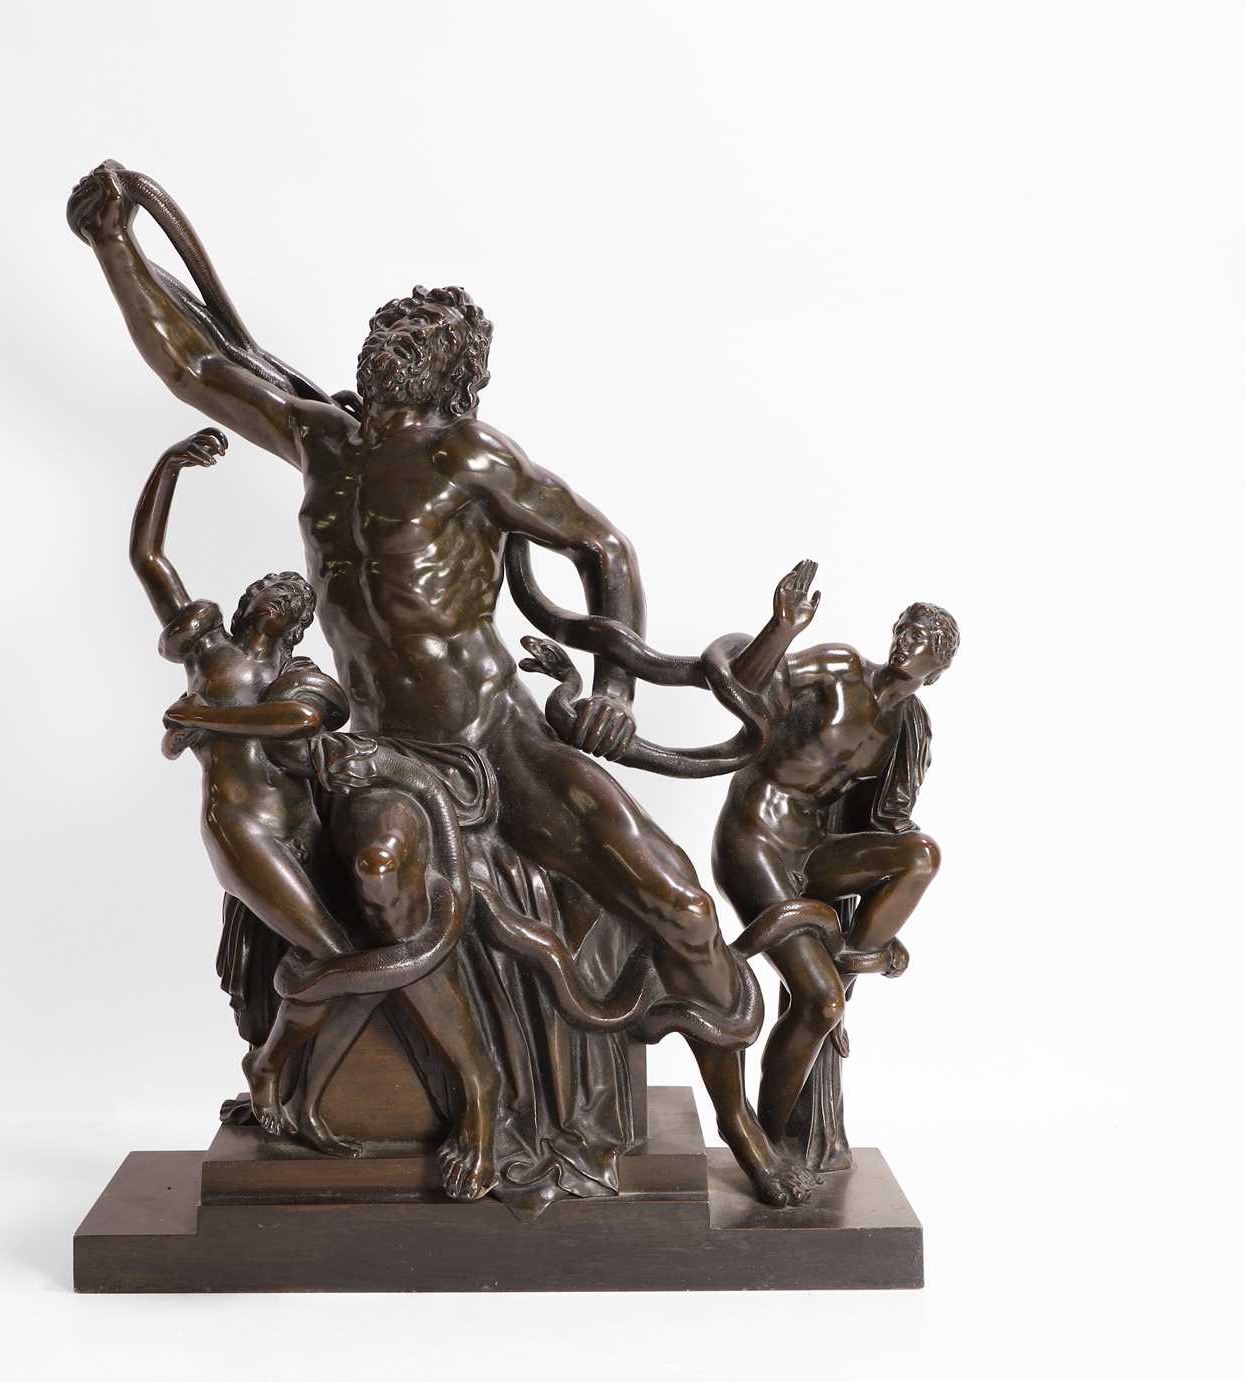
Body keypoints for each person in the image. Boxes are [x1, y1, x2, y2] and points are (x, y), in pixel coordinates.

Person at [69, 159, 803, 1206]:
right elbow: (195, 362)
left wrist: (614, 692)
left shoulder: (475, 460)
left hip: (496, 733)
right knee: (378, 875)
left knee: (676, 895)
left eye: (416, 340)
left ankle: (741, 1125)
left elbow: (604, 547)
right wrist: (113, 246)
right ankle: (457, 1090)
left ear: (455, 371)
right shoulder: (319, 441)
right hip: (383, 746)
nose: (391, 345)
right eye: (387, 331)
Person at [129, 426, 498, 1192]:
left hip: (306, 832)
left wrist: (198, 720)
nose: (279, 598)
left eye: (291, 599)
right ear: (246, 603)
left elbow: (305, 721)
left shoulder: (304, 680)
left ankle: (282, 1076)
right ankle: (277, 1076)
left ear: (300, 623)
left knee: (343, 955)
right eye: (269, 592)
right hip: (244, 830)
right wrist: (169, 468)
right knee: (336, 958)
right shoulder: (210, 652)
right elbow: (149, 559)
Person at [711, 596, 959, 1141]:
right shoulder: (843, 667)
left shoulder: (909, 726)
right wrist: (781, 629)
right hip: (755, 839)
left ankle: (848, 961)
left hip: (813, 850)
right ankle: (765, 1142)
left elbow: (890, 823)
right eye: (906, 629)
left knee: (923, 854)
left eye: (924, 640)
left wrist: (881, 914)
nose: (908, 641)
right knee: (820, 1005)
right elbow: (750, 686)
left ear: (937, 668)